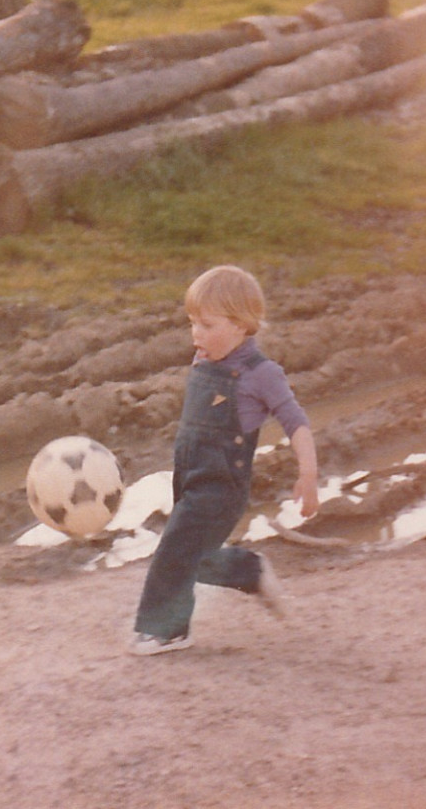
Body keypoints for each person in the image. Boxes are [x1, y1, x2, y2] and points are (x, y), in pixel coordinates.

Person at [129, 265, 320, 656]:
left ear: (241, 325)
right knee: (192, 557)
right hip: (190, 478)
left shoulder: (261, 374)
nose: (196, 334)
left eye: (207, 324)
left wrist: (309, 474)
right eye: (192, 323)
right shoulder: (205, 361)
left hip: (221, 486)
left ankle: (168, 630)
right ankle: (248, 571)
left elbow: (296, 422)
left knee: (174, 550)